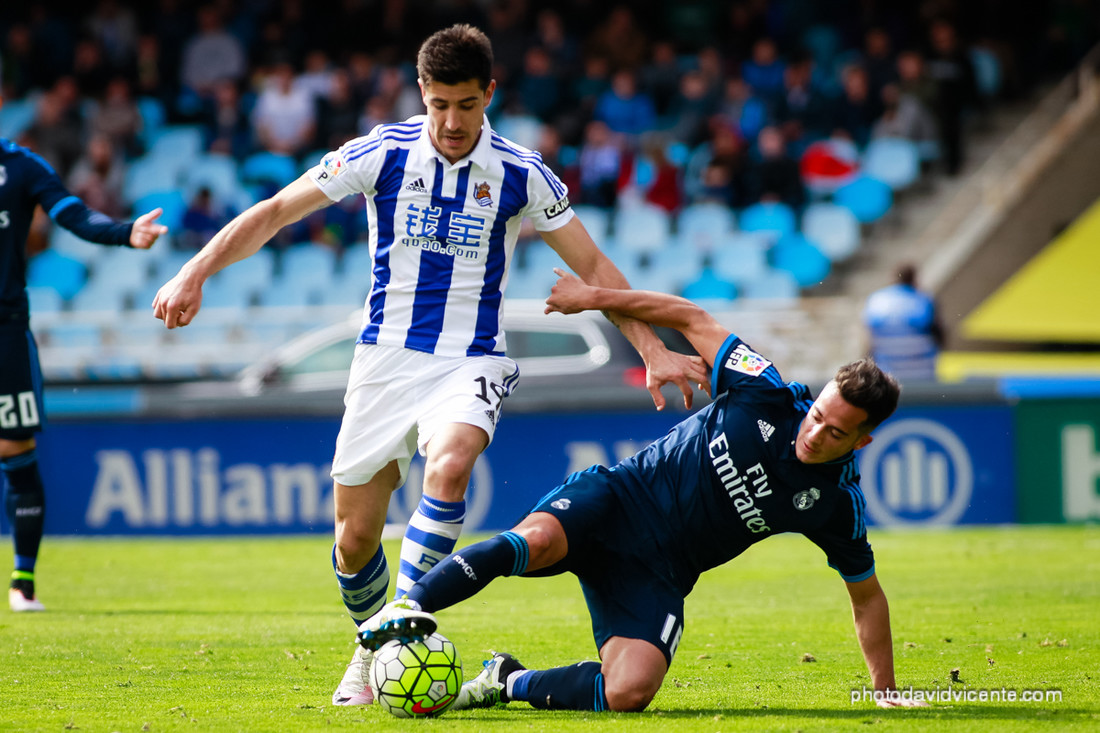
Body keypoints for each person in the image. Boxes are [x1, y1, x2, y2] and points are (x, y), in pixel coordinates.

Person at [150, 24, 704, 707]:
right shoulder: (381, 152)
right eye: (439, 104)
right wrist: (195, 271)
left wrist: (652, 349)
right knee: (354, 541)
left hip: (470, 359)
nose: (451, 121)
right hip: (384, 359)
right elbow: (274, 212)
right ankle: (377, 636)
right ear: (421, 92)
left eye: (466, 105)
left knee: (450, 465)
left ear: (489, 94)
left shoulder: (522, 172)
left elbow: (594, 267)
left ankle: (381, 641)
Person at [355, 269, 928, 713]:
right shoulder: (766, 392)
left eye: (835, 433)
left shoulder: (836, 503)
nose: (815, 432)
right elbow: (689, 314)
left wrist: (884, 691)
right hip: (616, 501)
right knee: (535, 541)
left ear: (863, 441)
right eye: (818, 415)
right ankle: (408, 607)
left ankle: (505, 682)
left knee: (629, 692)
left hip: (660, 571)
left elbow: (867, 596)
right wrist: (594, 297)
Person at [1, 114, 167, 612]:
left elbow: (72, 214)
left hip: (5, 330)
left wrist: (123, 232)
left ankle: (23, 581)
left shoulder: (21, 166)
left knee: (15, 450)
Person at [863, 263, 944, 382]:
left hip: (886, 374)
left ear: (892, 279)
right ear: (914, 279)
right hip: (921, 373)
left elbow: (867, 340)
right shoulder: (924, 299)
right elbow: (940, 335)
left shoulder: (875, 300)